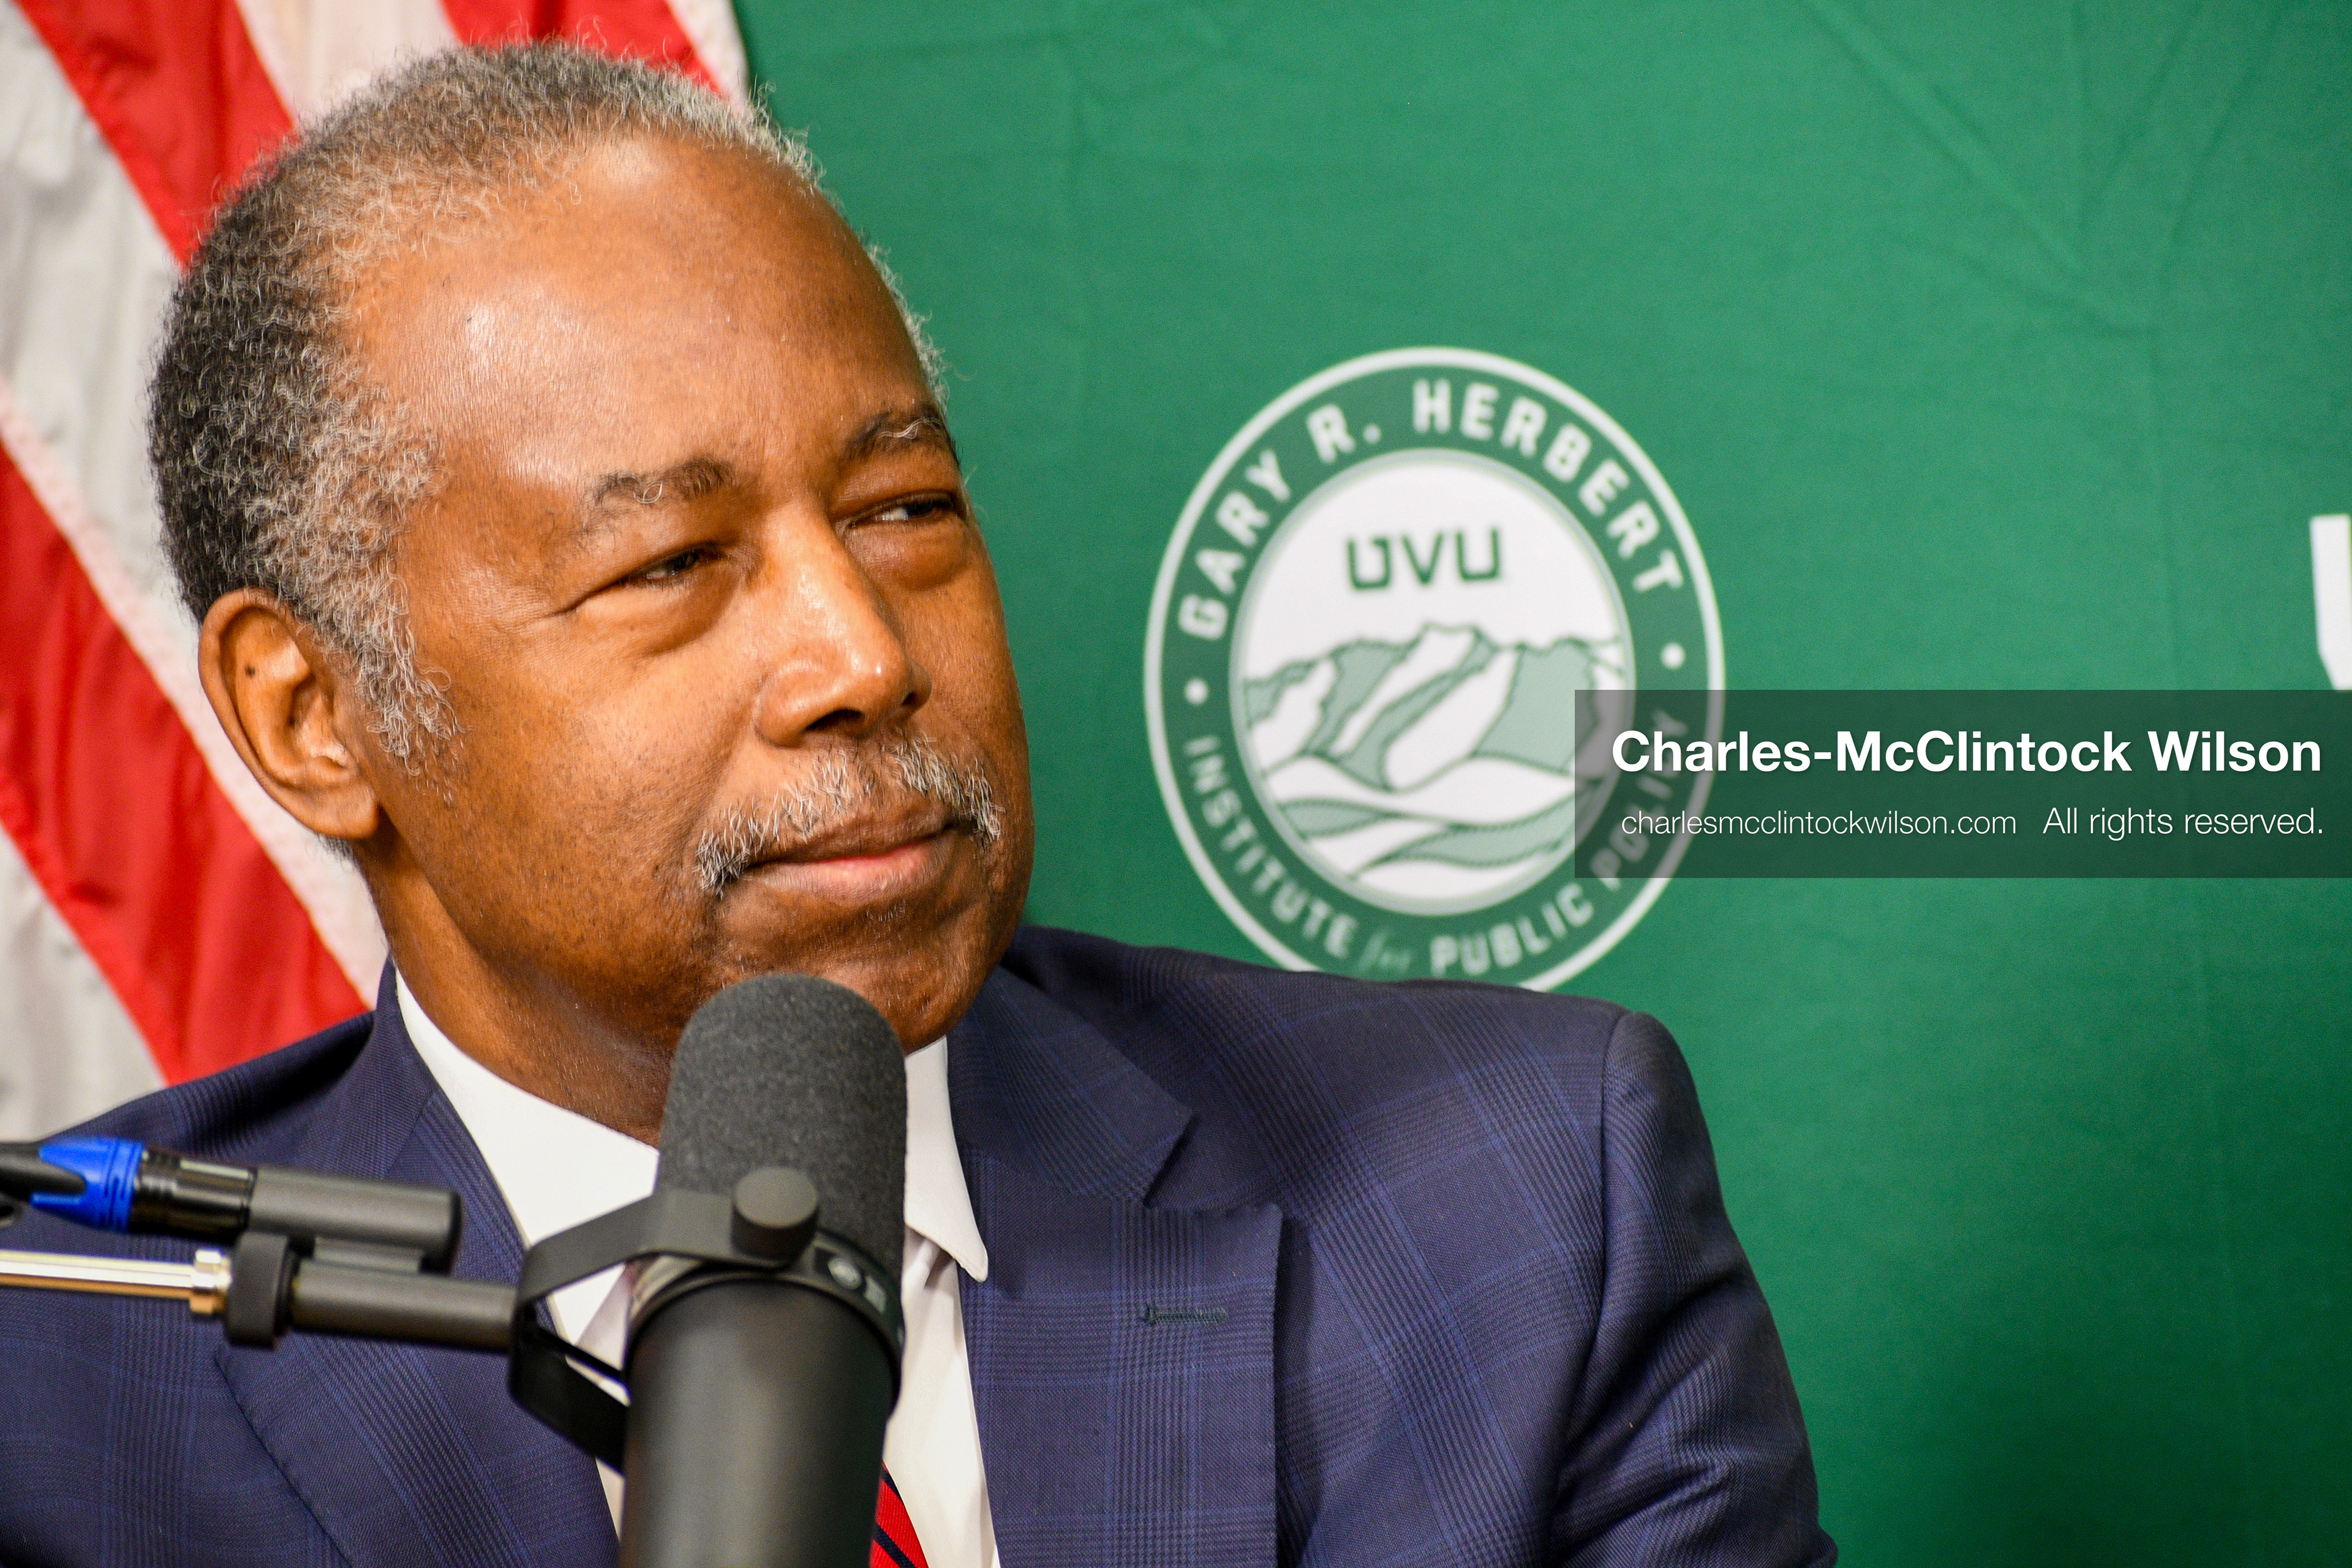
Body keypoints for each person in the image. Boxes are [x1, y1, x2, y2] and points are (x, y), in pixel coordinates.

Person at [0, 44, 1834, 1568]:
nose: (860, 652)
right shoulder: (56, 1372)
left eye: (904, 511)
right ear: (311, 715)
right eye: (669, 561)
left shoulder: (1516, 1214)